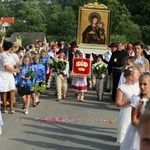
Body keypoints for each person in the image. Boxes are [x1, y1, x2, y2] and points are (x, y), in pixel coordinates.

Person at [120, 72, 150, 150]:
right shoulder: (137, 99)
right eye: (140, 84)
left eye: (145, 84)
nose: (142, 87)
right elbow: (134, 120)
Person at [116, 66, 140, 143]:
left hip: (137, 111)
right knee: (125, 128)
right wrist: (130, 101)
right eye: (137, 75)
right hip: (126, 112)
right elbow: (118, 103)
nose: (139, 77)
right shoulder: (122, 88)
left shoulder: (138, 86)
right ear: (131, 77)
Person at [0, 40, 20, 114]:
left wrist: (22, 63)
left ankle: (11, 107)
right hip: (4, 75)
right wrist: (16, 70)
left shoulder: (9, 55)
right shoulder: (3, 55)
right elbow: (7, 67)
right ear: (10, 48)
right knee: (4, 92)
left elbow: (15, 64)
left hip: (10, 75)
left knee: (12, 90)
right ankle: (5, 107)